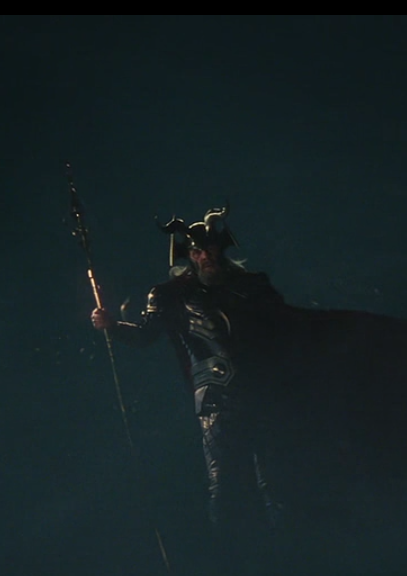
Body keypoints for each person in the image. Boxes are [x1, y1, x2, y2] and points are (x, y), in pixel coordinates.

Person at [92, 206, 285, 534]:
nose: (205, 256)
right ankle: (232, 554)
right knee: (225, 486)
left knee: (276, 483)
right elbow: (146, 334)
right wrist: (112, 325)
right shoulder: (172, 295)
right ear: (189, 255)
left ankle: (288, 552)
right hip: (217, 401)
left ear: (220, 249)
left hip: (264, 394)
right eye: (197, 251)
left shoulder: (253, 286)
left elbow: (284, 328)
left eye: (209, 249)